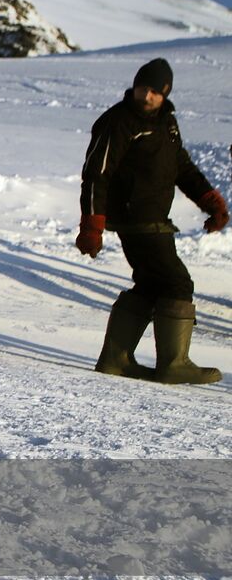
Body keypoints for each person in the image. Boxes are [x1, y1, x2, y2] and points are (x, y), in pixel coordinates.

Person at [77, 58, 226, 383]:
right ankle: (174, 363)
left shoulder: (165, 123)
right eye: (144, 89)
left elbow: (181, 167)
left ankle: (116, 359)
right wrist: (91, 224)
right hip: (136, 218)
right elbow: (95, 175)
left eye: (155, 92)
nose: (147, 97)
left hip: (154, 217)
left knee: (150, 284)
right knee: (176, 283)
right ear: (135, 86)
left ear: (165, 93)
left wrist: (210, 201)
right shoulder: (118, 121)